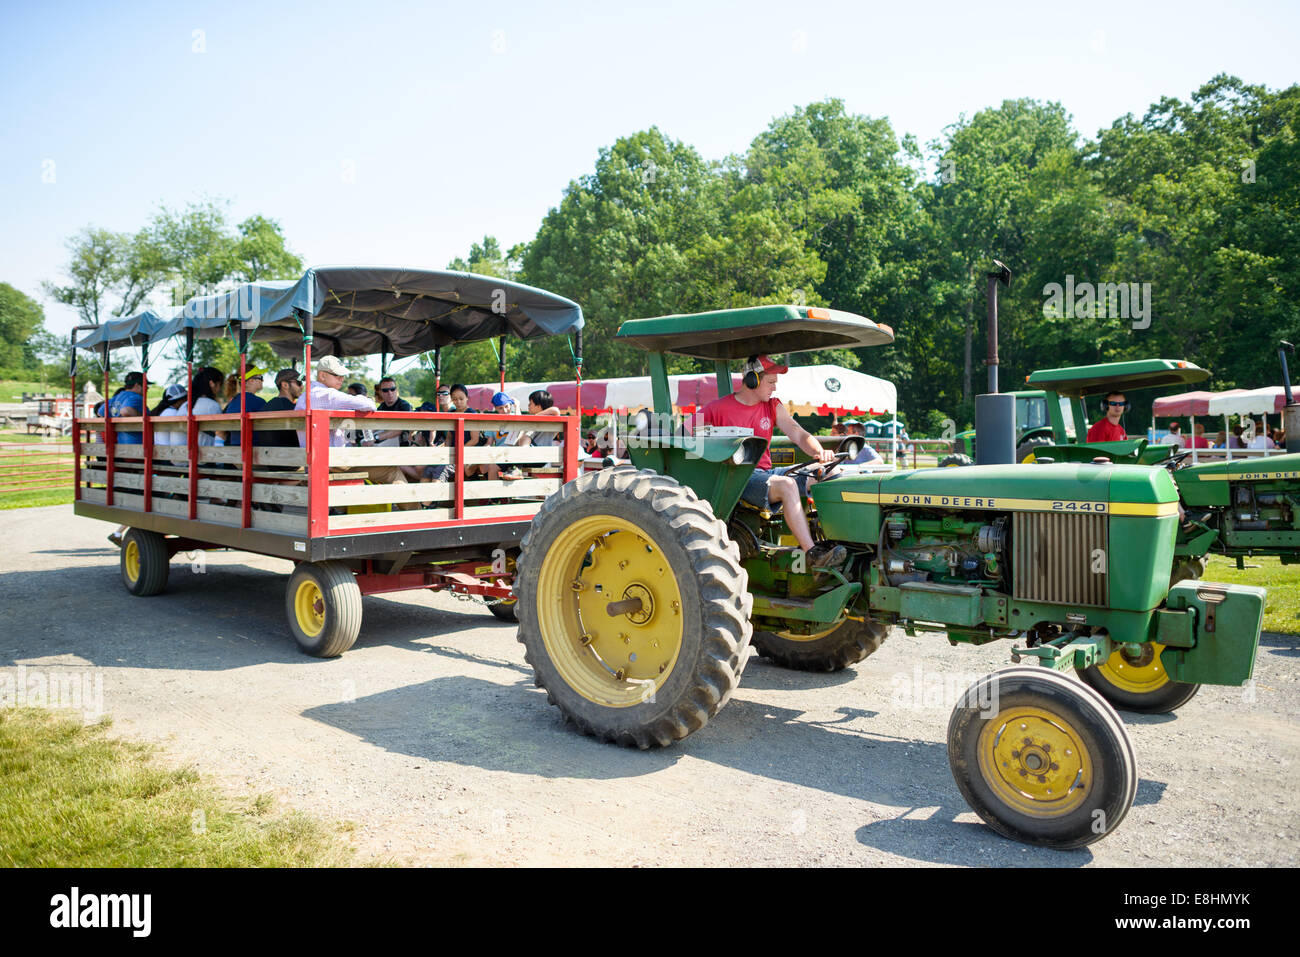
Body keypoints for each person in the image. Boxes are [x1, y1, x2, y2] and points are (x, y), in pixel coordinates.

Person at [702, 354, 843, 567]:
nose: (774, 388)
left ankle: (837, 543)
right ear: (752, 380)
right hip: (739, 480)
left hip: (767, 474)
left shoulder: (772, 406)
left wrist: (819, 453)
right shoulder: (717, 409)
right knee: (786, 485)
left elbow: (797, 432)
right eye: (771, 382)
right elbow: (682, 434)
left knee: (829, 473)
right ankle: (813, 554)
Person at [295, 355, 408, 491]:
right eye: (337, 375)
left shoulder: (305, 396)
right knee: (392, 471)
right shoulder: (327, 395)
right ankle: (418, 511)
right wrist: (367, 400)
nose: (341, 379)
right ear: (322, 375)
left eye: (342, 376)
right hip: (331, 460)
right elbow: (368, 405)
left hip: (312, 459)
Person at [261, 369, 304, 456]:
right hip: (291, 460)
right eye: (299, 383)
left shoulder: (265, 407)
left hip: (268, 459)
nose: (302, 387)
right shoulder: (294, 410)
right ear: (285, 385)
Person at [223, 367, 268, 446]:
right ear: (251, 381)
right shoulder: (259, 402)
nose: (263, 380)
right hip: (253, 447)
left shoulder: (232, 402)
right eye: (261, 378)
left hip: (233, 447)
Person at [106, 371, 146, 444]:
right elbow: (125, 411)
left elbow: (100, 413)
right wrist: (142, 417)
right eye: (146, 385)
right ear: (137, 386)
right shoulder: (136, 397)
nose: (147, 389)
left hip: (121, 444)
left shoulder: (116, 397)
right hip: (138, 445)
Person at [372, 377, 411, 447]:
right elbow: (375, 425)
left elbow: (400, 430)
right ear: (380, 392)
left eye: (392, 389)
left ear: (396, 390)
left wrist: (376, 437)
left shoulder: (404, 406)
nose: (390, 393)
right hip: (384, 437)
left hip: (401, 442)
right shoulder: (381, 407)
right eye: (385, 390)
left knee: (374, 447)